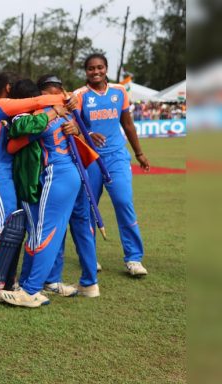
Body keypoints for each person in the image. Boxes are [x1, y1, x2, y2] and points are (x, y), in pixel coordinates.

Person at [0, 79, 86, 307]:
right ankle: (28, 284)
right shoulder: (60, 111)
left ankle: (31, 289)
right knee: (41, 232)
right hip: (64, 174)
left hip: (56, 174)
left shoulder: (41, 114)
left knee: (45, 233)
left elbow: (16, 136)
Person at [73, 53, 150, 276]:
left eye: (100, 67)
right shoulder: (79, 95)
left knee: (124, 202)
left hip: (117, 156)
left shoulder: (119, 91)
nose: (96, 72)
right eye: (91, 68)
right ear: (86, 71)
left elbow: (128, 124)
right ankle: (89, 257)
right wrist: (88, 134)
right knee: (89, 208)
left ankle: (134, 259)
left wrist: (139, 153)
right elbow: (72, 127)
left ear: (106, 68)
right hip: (90, 158)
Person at [0, 72, 66, 253]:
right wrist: (64, 100)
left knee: (14, 227)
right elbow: (36, 102)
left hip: (5, 171)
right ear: (8, 87)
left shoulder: (6, 110)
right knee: (5, 228)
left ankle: (6, 271)